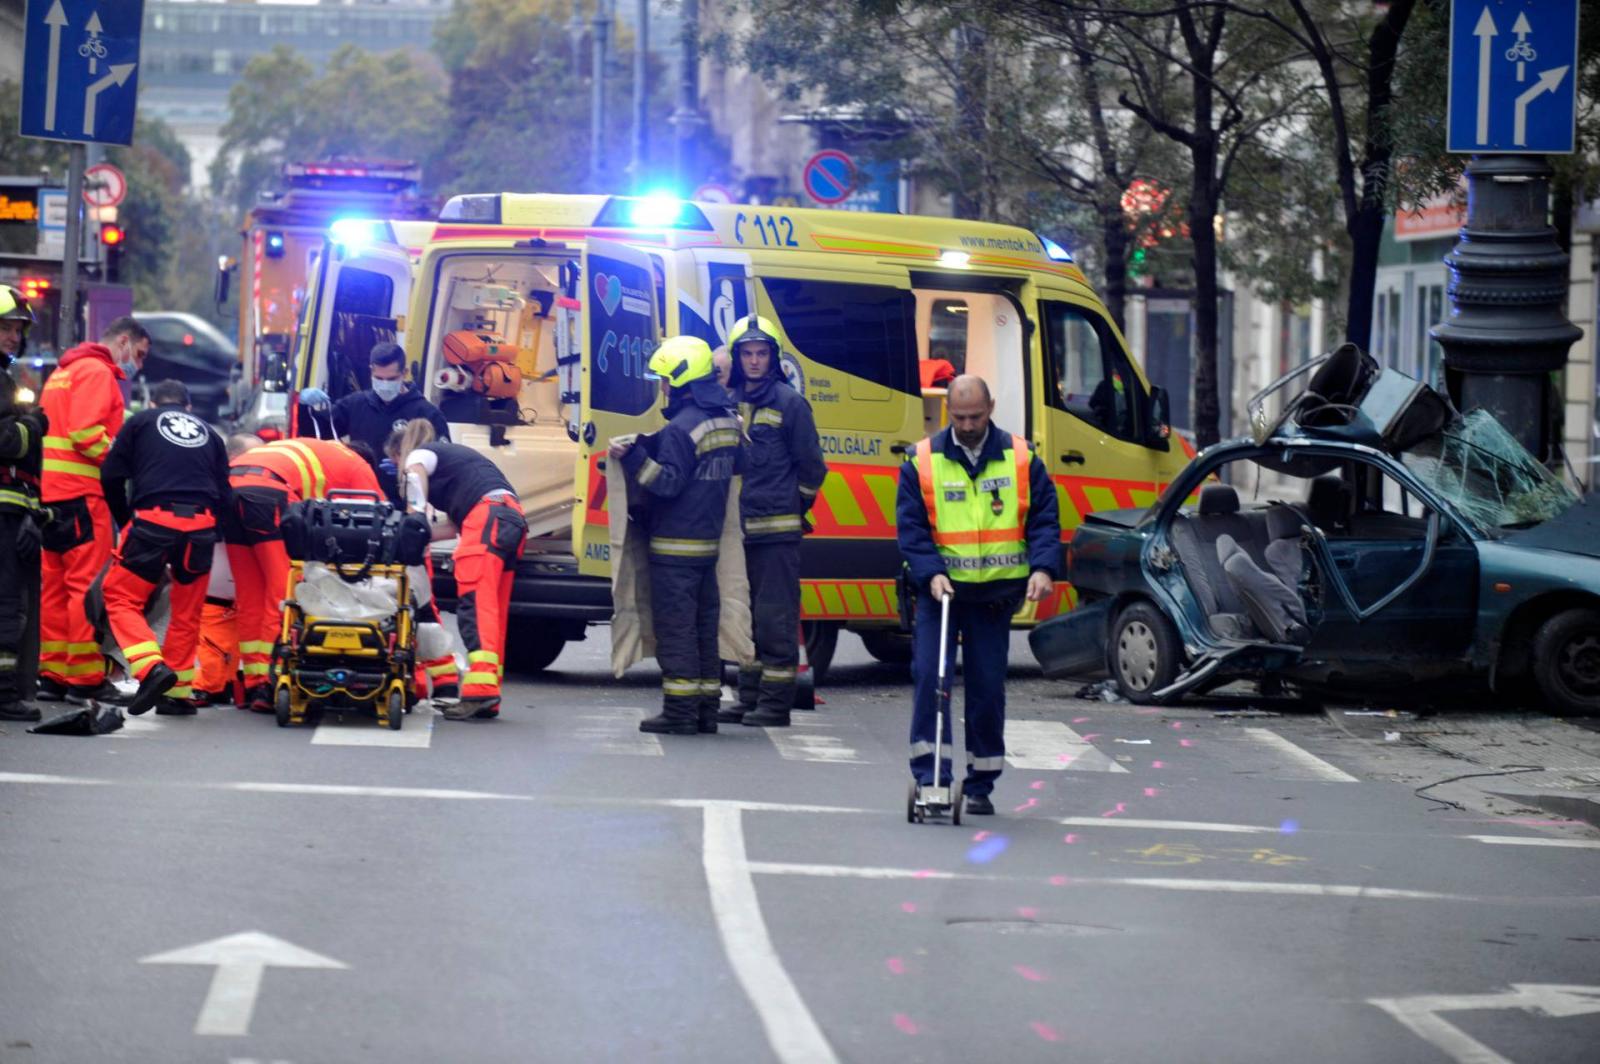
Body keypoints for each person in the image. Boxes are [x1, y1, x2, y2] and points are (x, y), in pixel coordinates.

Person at [896, 375, 1060, 816]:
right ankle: (932, 779)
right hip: (941, 595)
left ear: (991, 406)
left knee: (987, 689)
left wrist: (1043, 567)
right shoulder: (922, 460)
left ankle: (981, 783)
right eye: (959, 416)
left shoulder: (1022, 458)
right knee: (932, 680)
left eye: (976, 415)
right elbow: (911, 529)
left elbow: (1045, 518)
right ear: (948, 410)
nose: (968, 425)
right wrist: (930, 574)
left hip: (994, 596)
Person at [608, 335, 742, 736]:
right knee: (703, 629)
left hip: (675, 548)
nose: (663, 387)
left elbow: (666, 483)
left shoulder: (682, 428)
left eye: (665, 380)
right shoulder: (724, 420)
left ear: (681, 380)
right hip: (707, 547)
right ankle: (705, 709)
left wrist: (633, 457)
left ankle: (680, 712)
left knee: (677, 630)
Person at [224, 436, 414, 711]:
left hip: (231, 488)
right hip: (267, 493)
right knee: (283, 590)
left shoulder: (317, 449)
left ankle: (255, 682)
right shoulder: (358, 466)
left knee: (250, 592)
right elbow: (380, 525)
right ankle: (270, 681)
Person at [717, 315, 826, 729]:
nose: (755, 361)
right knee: (744, 618)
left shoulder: (789, 403)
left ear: (774, 356)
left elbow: (813, 467)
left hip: (775, 533)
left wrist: (794, 505)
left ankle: (775, 704)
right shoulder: (727, 402)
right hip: (736, 532)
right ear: (738, 357)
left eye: (762, 353)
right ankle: (749, 698)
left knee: (774, 618)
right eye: (747, 353)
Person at [100, 380, 233, 716]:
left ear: (154, 403)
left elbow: (111, 474)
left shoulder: (141, 422)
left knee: (120, 597)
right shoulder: (210, 433)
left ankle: (149, 668)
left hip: (153, 521)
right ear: (187, 407)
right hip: (201, 528)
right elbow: (225, 493)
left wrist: (125, 518)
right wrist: (213, 531)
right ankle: (176, 695)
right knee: (187, 613)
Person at [38, 316, 148, 703]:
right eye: (139, 353)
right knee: (85, 589)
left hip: (50, 495)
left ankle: (52, 674)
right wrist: (122, 464)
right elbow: (86, 434)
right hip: (84, 495)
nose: (138, 363)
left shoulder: (61, 374)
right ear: (122, 341)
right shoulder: (99, 372)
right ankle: (84, 678)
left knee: (53, 588)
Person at [387, 420, 527, 721]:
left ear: (400, 452)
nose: (395, 466)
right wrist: (420, 534)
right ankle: (488, 689)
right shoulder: (455, 460)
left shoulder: (419, 456)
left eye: (394, 459)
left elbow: (414, 477)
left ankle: (481, 691)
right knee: (493, 610)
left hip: (486, 518)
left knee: (475, 605)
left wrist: (414, 517)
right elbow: (452, 526)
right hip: (508, 517)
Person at [298, 342, 450, 498]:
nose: (385, 384)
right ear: (371, 371)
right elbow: (317, 431)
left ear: (404, 373)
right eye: (379, 378)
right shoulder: (355, 404)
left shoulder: (427, 413)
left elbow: (444, 463)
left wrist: (409, 468)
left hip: (405, 499)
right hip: (362, 495)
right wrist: (302, 406)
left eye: (391, 379)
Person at [0, 287, 47, 722]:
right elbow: (7, 443)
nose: (13, 337)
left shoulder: (7, 378)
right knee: (5, 602)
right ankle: (3, 694)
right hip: (3, 515)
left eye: (17, 330)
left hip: (14, 512)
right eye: (5, 327)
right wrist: (33, 425)